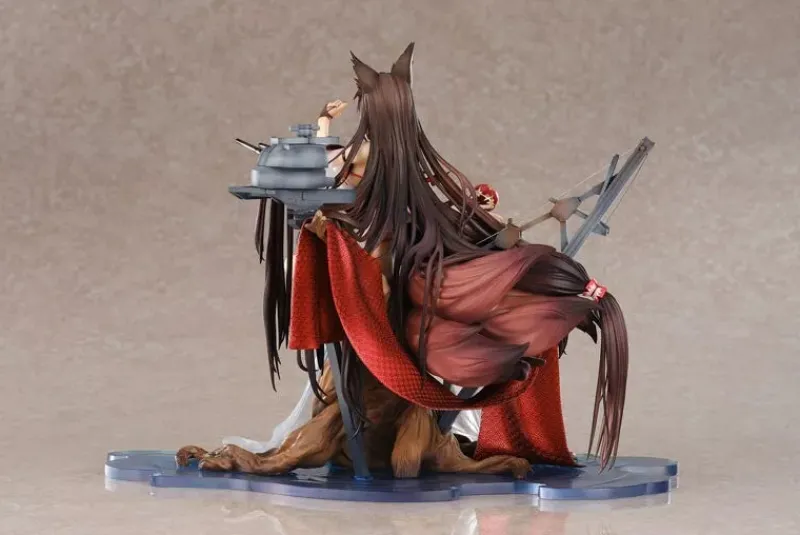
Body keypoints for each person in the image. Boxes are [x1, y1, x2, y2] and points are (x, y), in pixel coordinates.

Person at [178, 43, 629, 477]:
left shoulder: (384, 158)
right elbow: (329, 173)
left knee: (408, 346)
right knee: (359, 363)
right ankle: (368, 426)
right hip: (383, 266)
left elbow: (332, 172)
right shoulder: (390, 158)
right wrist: (321, 127)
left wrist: (475, 210)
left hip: (399, 265)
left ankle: (409, 428)